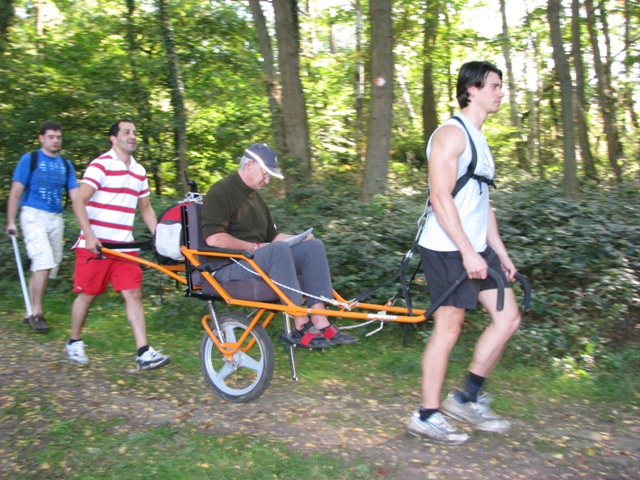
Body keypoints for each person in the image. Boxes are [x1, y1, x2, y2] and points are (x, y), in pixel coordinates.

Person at [407, 61, 521, 445]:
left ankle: (466, 397)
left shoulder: (480, 138)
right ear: (471, 89)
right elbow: (440, 197)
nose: (500, 92)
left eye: (501, 86)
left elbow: (482, 203)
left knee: (508, 319)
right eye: (494, 86)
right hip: (446, 247)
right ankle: (426, 414)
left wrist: (498, 253)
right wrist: (467, 251)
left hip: (476, 246)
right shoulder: (450, 135)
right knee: (449, 327)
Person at [201, 143, 357, 348]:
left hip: (257, 260)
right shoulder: (221, 191)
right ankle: (301, 324)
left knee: (313, 246)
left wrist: (299, 238)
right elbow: (213, 239)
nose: (267, 180)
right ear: (249, 164)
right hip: (229, 266)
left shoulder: (255, 198)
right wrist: (255, 248)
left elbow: (272, 237)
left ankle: (320, 320)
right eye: (265, 174)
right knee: (278, 250)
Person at [65, 119, 170, 371]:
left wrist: (161, 237)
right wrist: (89, 236)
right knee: (87, 295)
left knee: (133, 293)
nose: (132, 136)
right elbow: (79, 202)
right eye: (126, 132)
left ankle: (143, 352)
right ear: (113, 138)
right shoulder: (100, 165)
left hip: (125, 247)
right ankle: (74, 341)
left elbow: (146, 209)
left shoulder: (139, 171)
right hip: (95, 246)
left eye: (134, 132)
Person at [6, 121, 78, 332]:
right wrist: (11, 221)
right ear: (41, 138)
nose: (55, 141)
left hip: (56, 218)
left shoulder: (66, 165)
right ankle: (37, 313)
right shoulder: (30, 159)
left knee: (47, 266)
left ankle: (30, 312)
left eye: (58, 137)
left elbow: (75, 195)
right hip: (33, 215)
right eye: (51, 137)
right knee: (44, 262)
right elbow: (16, 191)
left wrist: (87, 219)